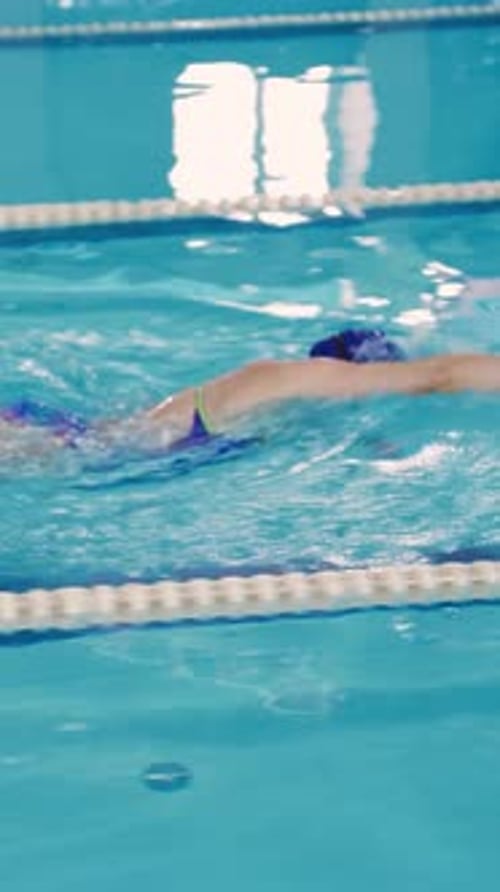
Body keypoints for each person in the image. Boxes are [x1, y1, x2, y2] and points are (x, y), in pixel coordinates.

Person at [1, 328, 500, 455]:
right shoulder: (294, 377)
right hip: (66, 444)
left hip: (88, 443)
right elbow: (439, 376)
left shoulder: (287, 411)